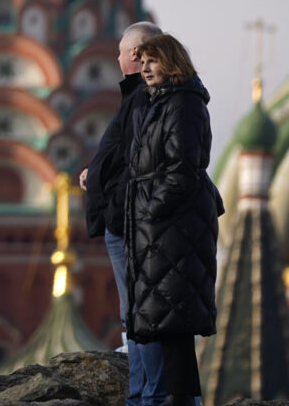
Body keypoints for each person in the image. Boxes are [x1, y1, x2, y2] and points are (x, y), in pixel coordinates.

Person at [126, 34, 224, 406]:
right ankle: (175, 395)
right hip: (161, 227)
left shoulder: (183, 103)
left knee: (174, 312)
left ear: (172, 63)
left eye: (153, 61)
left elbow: (182, 167)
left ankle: (180, 397)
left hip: (173, 227)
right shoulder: (160, 102)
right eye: (143, 61)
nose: (146, 68)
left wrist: (151, 210)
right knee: (165, 314)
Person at [79, 21, 166, 406]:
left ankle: (149, 396)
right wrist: (96, 173)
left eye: (120, 51)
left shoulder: (148, 99)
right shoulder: (139, 97)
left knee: (141, 314)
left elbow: (138, 162)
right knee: (135, 314)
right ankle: (143, 393)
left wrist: (113, 203)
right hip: (125, 216)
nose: (116, 58)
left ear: (133, 54)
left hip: (129, 220)